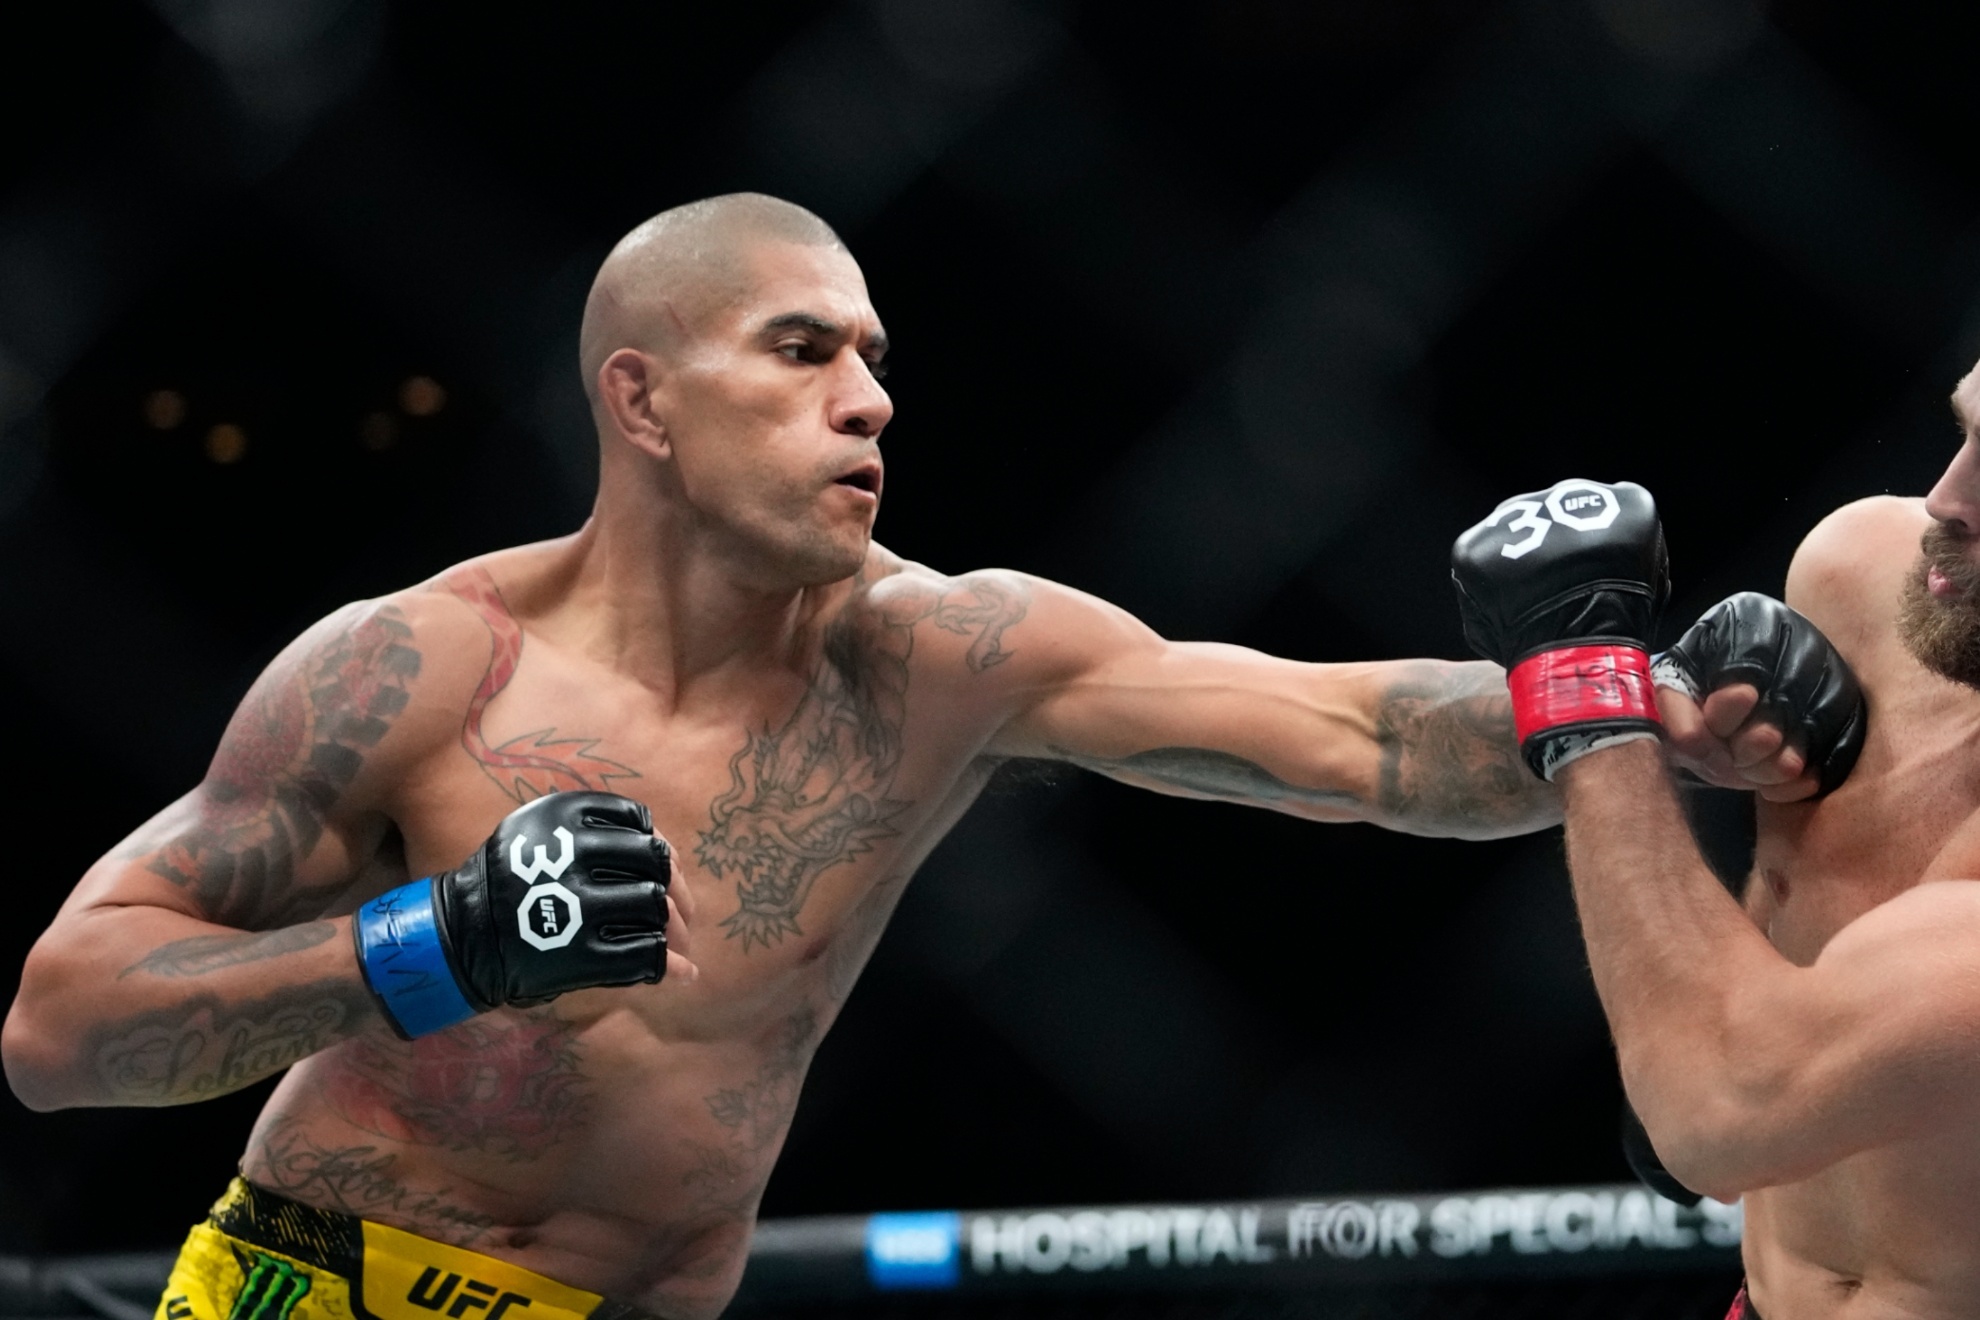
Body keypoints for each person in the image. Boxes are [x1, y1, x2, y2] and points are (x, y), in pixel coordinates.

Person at [2, 192, 1594, 1320]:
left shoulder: (943, 657)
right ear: (643, 399)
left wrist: (1620, 691)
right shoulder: (420, 673)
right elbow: (59, 1031)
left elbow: (1359, 737)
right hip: (327, 1300)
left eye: (875, 357)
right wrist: (442, 948)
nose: (869, 402)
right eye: (800, 351)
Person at [1451, 416, 1980, 1318]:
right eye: (1967, 432)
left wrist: (1585, 687)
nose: (1946, 496)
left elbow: (1718, 1110)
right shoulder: (1882, 585)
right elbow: (1349, 734)